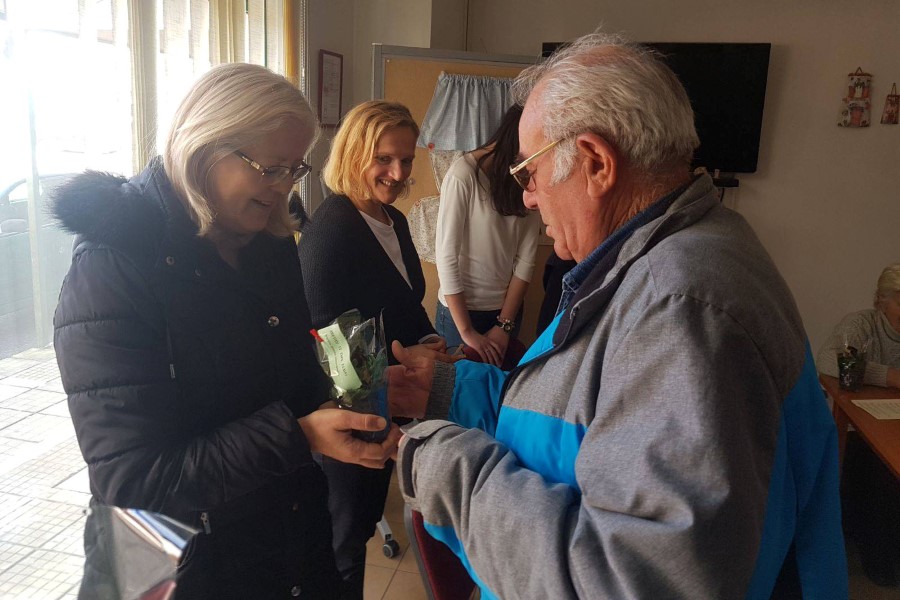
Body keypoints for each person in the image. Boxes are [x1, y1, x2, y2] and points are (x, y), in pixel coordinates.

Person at [387, 31, 847, 599]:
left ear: (596, 163)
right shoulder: (668, 255)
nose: (527, 197)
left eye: (529, 172)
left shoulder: (680, 311)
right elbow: (587, 417)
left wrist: (448, 470)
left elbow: (628, 582)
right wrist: (454, 392)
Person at [51, 63, 400, 600]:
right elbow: (132, 478)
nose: (283, 188)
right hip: (172, 563)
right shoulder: (112, 269)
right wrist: (301, 436)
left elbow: (289, 381)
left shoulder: (270, 241)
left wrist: (357, 393)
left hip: (281, 536)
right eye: (269, 168)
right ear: (203, 148)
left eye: (293, 169)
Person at [297, 100, 445, 599]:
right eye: (384, 159)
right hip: (349, 415)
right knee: (342, 542)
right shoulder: (330, 232)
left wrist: (430, 342)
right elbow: (318, 339)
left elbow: (406, 303)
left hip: (386, 409)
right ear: (353, 154)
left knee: (360, 527)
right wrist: (384, 377)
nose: (398, 173)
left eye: (405, 160)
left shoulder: (394, 220)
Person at [434, 104, 541, 366]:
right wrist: (467, 332)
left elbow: (526, 260)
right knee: (456, 388)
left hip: (505, 313)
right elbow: (446, 256)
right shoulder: (463, 175)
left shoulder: (528, 179)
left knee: (499, 386)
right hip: (459, 315)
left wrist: (504, 325)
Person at [817, 262, 900, 586]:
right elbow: (828, 360)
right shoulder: (862, 324)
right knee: (878, 473)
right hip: (857, 427)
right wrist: (889, 376)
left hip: (893, 424)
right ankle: (880, 560)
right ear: (881, 301)